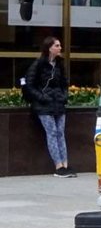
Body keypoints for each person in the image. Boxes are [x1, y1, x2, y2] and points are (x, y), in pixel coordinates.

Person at [21, 36, 72, 177]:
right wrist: (42, 97)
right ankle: (58, 165)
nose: (60, 48)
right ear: (49, 48)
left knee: (60, 133)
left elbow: (64, 83)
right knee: (52, 132)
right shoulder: (38, 64)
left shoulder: (59, 64)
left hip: (58, 103)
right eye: (57, 45)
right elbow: (29, 85)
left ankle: (65, 164)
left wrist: (64, 96)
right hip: (44, 105)